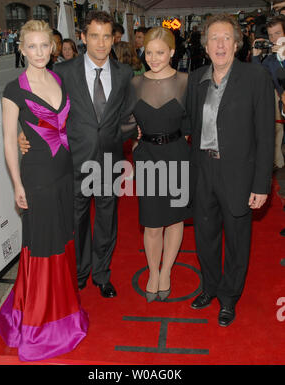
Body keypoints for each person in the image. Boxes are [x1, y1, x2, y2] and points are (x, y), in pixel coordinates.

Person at [18, 11, 135, 298]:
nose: (101, 43)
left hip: (109, 161)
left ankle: (102, 274)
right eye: (94, 35)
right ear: (83, 37)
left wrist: (123, 135)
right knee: (78, 221)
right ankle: (80, 272)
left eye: (107, 36)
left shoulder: (124, 74)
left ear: (113, 38)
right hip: (74, 161)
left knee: (107, 221)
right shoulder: (64, 72)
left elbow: (128, 115)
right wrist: (27, 134)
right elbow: (47, 112)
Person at [0, 20, 89, 361]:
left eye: (44, 46)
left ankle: (63, 312)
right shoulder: (13, 89)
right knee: (42, 246)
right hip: (36, 178)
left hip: (64, 173)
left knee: (62, 241)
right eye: (31, 46)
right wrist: (17, 183)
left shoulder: (58, 79)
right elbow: (8, 140)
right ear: (21, 49)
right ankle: (38, 324)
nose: (38, 52)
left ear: (52, 48)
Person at [187, 14, 275, 326]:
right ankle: (210, 286)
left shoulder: (256, 78)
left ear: (237, 44)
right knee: (205, 236)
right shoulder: (196, 79)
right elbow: (188, 125)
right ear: (206, 46)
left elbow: (266, 135)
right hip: (203, 169)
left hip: (239, 172)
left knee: (237, 239)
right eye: (214, 38)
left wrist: (262, 183)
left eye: (226, 37)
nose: (220, 44)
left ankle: (229, 297)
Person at [121, 27, 192, 302]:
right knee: (152, 223)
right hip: (147, 157)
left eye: (160, 52)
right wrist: (134, 136)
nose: (153, 58)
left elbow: (192, 123)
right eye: (149, 52)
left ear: (172, 52)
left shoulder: (187, 81)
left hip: (177, 155)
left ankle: (167, 271)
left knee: (175, 220)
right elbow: (125, 120)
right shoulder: (135, 84)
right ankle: (153, 271)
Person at [252, 16, 285, 169]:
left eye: (277, 33)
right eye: (271, 35)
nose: (273, 38)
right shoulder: (271, 60)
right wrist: (256, 56)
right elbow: (259, 79)